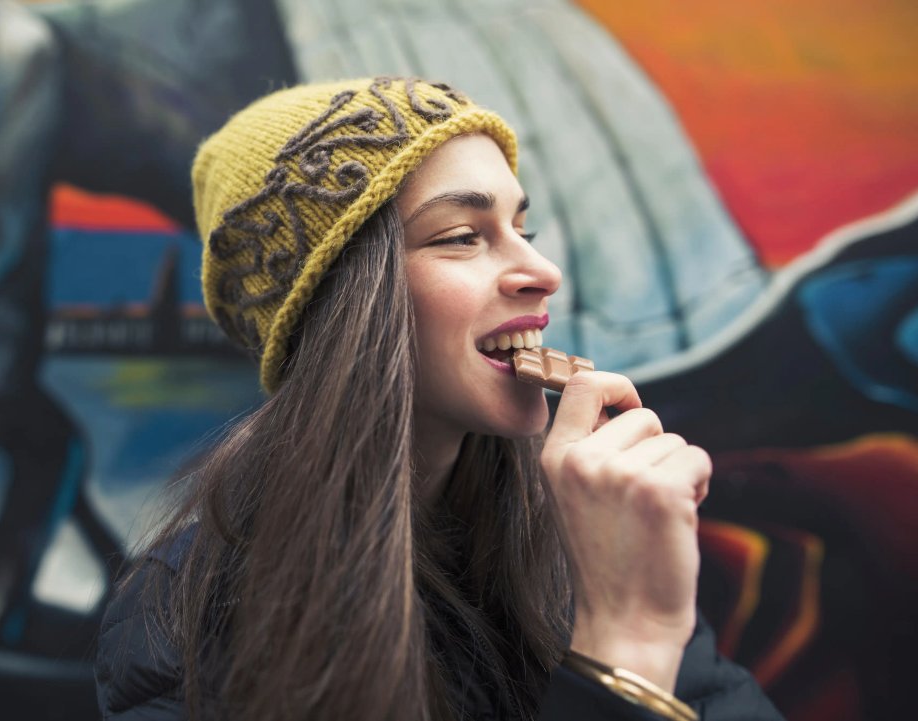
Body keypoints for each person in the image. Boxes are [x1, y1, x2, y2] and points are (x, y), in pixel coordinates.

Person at [94, 76, 784, 721]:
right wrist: (622, 653)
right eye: (462, 236)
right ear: (339, 307)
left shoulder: (582, 541)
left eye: (525, 229)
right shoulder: (181, 615)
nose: (542, 272)